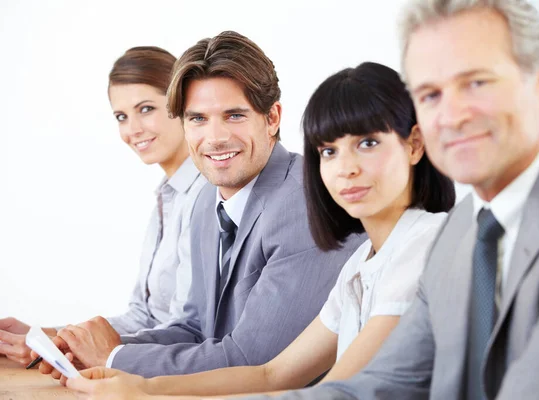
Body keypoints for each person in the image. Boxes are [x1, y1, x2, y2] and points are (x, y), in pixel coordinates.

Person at [204, 1, 539, 399]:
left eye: (476, 83)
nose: (451, 116)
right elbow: (369, 389)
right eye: (429, 95)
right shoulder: (464, 229)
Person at [63, 61, 457, 399]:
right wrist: (140, 386)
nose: (346, 167)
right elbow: (274, 374)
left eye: (368, 143)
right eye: (329, 151)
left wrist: (139, 388)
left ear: (415, 145)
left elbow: (333, 392)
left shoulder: (424, 244)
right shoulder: (362, 262)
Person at [37, 31, 364, 381]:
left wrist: (115, 357)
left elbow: (251, 361)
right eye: (198, 119)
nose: (215, 137)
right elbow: (195, 328)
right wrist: (91, 350)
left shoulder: (304, 204)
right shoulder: (209, 197)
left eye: (234, 115)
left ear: (272, 118)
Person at [0, 46, 206, 367]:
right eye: (122, 116)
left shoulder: (208, 196)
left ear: (181, 105)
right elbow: (143, 314)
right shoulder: (167, 198)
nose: (133, 129)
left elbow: (191, 329)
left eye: (146, 108)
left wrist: (62, 347)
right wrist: (47, 334)